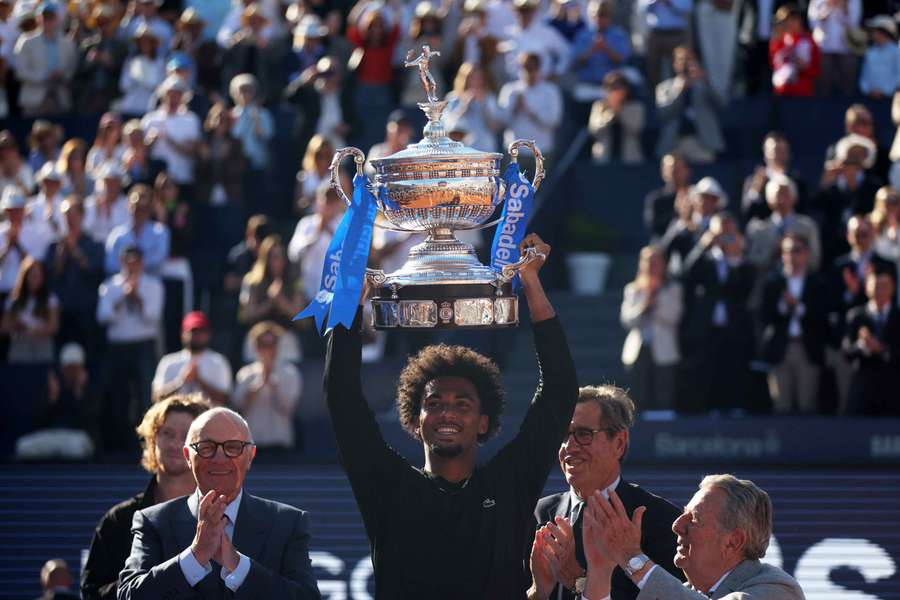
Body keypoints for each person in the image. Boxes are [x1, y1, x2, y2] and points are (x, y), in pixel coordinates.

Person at [324, 232, 578, 597]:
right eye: (435, 403)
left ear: (484, 421)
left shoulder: (510, 485)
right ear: (415, 420)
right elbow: (342, 398)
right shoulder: (385, 485)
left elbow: (559, 391)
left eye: (463, 404)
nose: (447, 413)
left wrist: (532, 283)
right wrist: (352, 300)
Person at [117, 407, 321, 599]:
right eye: (206, 447)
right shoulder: (153, 521)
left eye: (233, 447)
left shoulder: (287, 522)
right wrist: (195, 555)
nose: (220, 458)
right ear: (188, 456)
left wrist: (238, 565)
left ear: (250, 456)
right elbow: (129, 595)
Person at [528, 385, 681, 600]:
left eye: (583, 434)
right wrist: (537, 593)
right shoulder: (537, 515)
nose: (569, 447)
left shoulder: (660, 520)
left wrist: (577, 580)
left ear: (618, 443)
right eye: (563, 435)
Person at [579, 474, 805, 600]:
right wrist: (599, 571)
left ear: (733, 542)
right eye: (683, 513)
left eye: (694, 519)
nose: (677, 525)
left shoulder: (778, 589)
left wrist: (633, 559)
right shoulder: (681, 593)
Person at [81, 395, 210, 600]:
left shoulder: (222, 516)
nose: (176, 444)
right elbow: (92, 593)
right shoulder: (119, 520)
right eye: (167, 433)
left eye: (186, 435)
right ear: (152, 440)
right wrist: (149, 583)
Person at [679, 213, 757, 413]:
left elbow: (745, 289)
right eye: (719, 233)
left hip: (734, 328)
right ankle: (708, 409)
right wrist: (702, 246)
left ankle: (734, 407)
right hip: (707, 328)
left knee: (733, 369)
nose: (724, 239)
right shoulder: (704, 260)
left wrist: (734, 258)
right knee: (706, 371)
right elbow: (685, 275)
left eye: (728, 234)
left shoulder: (742, 263)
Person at [96, 245, 163, 450]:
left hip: (143, 345)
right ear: (121, 262)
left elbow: (153, 317)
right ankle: (119, 442)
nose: (132, 265)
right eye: (128, 261)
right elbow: (103, 317)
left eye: (136, 261)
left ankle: (147, 441)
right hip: (118, 346)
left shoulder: (153, 285)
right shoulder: (110, 286)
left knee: (145, 393)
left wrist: (137, 297)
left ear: (142, 262)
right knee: (118, 394)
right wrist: (122, 297)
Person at [760, 233, 828, 414]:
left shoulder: (817, 283)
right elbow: (764, 316)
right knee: (781, 405)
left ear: (806, 253)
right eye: (787, 251)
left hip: (807, 348)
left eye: (796, 251)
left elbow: (822, 317)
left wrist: (797, 307)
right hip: (780, 349)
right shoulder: (773, 282)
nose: (791, 256)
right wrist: (783, 307)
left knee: (807, 404)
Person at [619, 247, 682, 411]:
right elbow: (627, 320)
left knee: (664, 392)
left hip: (664, 349)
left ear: (664, 265)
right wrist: (644, 305)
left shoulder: (673, 289)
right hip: (638, 350)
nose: (651, 266)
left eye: (656, 262)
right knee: (638, 394)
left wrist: (655, 300)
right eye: (647, 261)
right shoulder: (632, 289)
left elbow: (673, 317)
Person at [43, 197, 104, 351]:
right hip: (61, 314)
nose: (69, 219)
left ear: (82, 216)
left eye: (73, 214)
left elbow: (94, 273)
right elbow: (52, 275)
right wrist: (62, 251)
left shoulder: (94, 244)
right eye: (66, 215)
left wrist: (74, 250)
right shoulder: (53, 247)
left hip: (86, 314)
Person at [232, 321, 302, 450]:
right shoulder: (245, 374)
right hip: (251, 444)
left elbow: (288, 409)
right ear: (255, 346)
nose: (268, 349)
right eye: (263, 345)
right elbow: (239, 410)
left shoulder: (290, 373)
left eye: (271, 344)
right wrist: (258, 385)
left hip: (280, 444)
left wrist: (273, 384)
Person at [842, 266, 900, 414]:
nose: (879, 291)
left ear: (892, 289)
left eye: (884, 286)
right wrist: (862, 346)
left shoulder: (897, 316)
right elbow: (847, 351)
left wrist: (882, 349)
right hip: (863, 385)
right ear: (867, 287)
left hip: (892, 386)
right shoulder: (856, 316)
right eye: (876, 286)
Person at [655, 46, 724, 164]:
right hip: (674, 143)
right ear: (675, 64)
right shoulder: (664, 88)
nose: (686, 63)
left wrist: (705, 80)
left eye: (690, 59)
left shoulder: (704, 84)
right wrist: (679, 91)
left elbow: (721, 104)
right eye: (682, 59)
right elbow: (663, 114)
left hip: (702, 143)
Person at [745, 174, 822, 278]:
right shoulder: (757, 230)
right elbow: (752, 262)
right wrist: (774, 250)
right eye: (777, 194)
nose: (781, 199)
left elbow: (814, 261)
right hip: (767, 287)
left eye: (786, 194)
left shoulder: (807, 226)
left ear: (794, 197)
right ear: (769, 200)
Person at [152, 311, 232, 404]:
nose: (197, 335)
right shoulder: (168, 361)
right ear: (183, 334)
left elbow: (225, 399)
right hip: (176, 417)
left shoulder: (219, 362)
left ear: (208, 334)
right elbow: (157, 398)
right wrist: (181, 381)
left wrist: (199, 380)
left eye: (201, 331)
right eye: (193, 331)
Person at [13, 1, 77, 115]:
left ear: (57, 18)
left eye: (51, 17)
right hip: (33, 101)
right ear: (38, 18)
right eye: (44, 17)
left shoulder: (67, 43)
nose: (48, 21)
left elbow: (72, 68)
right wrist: (45, 76)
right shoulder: (25, 41)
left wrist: (62, 75)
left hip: (60, 99)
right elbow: (20, 71)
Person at [499, 52, 563, 162]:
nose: (529, 72)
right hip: (514, 152)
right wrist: (515, 108)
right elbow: (500, 121)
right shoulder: (510, 90)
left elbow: (554, 121)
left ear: (539, 68)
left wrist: (531, 112)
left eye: (532, 68)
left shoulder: (551, 91)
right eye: (526, 67)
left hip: (541, 150)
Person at [141, 75, 203, 188]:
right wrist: (150, 142)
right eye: (170, 93)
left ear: (184, 96)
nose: (173, 97)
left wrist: (170, 140)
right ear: (163, 94)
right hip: (155, 180)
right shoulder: (150, 119)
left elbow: (192, 150)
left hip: (183, 179)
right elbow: (141, 151)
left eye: (178, 94)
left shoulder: (191, 120)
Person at [1, 255, 59, 363]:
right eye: (32, 275)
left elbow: (53, 326)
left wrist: (35, 330)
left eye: (38, 275)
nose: (35, 279)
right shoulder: (13, 300)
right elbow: (4, 327)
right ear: (25, 276)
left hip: (42, 347)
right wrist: (16, 325)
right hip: (19, 346)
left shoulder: (50, 299)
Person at [741, 132, 808, 224]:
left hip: (792, 232)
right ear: (765, 153)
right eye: (774, 151)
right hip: (764, 234)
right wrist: (756, 191)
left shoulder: (797, 180)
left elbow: (804, 209)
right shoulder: (753, 181)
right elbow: (747, 213)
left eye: (782, 150)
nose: (777, 155)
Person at [105, 184, 171, 276]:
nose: (140, 212)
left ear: (150, 208)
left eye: (144, 208)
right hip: (122, 282)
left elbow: (158, 260)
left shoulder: (161, 232)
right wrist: (128, 271)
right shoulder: (116, 235)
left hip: (150, 283)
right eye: (136, 207)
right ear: (128, 206)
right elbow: (111, 265)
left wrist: (134, 265)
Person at [75, 5, 129, 115]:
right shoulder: (87, 46)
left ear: (113, 23)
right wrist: (89, 62)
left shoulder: (121, 47)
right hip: (89, 99)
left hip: (111, 98)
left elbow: (125, 76)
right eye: (99, 23)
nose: (102, 27)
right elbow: (77, 74)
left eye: (106, 22)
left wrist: (110, 62)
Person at [503, 0, 571, 80]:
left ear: (534, 12)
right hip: (516, 85)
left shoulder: (547, 32)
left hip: (542, 84)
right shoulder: (508, 33)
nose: (524, 14)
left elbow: (566, 52)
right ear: (515, 12)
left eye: (528, 10)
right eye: (521, 10)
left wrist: (556, 72)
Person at [443, 62, 503, 154]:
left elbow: (494, 127)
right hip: (460, 150)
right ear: (464, 79)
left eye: (479, 78)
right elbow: (448, 125)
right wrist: (464, 105)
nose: (475, 82)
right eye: (472, 78)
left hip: (485, 150)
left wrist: (483, 106)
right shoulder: (453, 98)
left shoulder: (489, 98)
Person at [571, 0, 631, 89]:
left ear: (609, 16)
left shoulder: (619, 35)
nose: (599, 19)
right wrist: (592, 49)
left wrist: (606, 48)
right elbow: (575, 61)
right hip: (587, 84)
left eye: (603, 15)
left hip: (613, 87)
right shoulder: (582, 35)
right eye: (596, 15)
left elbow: (622, 60)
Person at [588, 71, 645, 165]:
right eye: (612, 88)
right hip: (603, 159)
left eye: (619, 88)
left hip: (629, 160)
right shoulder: (599, 106)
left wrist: (619, 110)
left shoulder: (636, 107)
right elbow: (595, 131)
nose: (615, 91)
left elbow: (635, 130)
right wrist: (611, 113)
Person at [636, 0, 693, 91]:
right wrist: (654, 2)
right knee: (652, 69)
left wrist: (669, 3)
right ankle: (652, 98)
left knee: (680, 69)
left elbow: (687, 8)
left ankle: (679, 97)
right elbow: (642, 9)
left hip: (677, 34)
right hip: (656, 34)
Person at [808, 0, 862, 96]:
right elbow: (813, 23)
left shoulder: (853, 1)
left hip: (847, 48)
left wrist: (844, 6)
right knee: (824, 83)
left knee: (848, 84)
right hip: (824, 47)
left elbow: (854, 23)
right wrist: (827, 8)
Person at [769, 5, 820, 97]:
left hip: (802, 93)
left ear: (798, 20)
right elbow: (774, 64)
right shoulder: (778, 41)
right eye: (784, 22)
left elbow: (815, 70)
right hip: (781, 93)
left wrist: (804, 67)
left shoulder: (808, 41)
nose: (788, 24)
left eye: (791, 20)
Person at [117, 24, 167, 118]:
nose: (145, 44)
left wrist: (144, 79)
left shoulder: (160, 62)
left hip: (149, 110)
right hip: (130, 108)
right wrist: (136, 77)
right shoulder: (130, 61)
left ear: (153, 43)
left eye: (148, 41)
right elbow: (124, 85)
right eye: (142, 41)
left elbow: (159, 86)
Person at [644, 153, 691, 240]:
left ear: (687, 171)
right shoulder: (655, 199)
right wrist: (678, 212)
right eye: (670, 169)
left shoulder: (697, 197)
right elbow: (654, 227)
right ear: (663, 172)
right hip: (663, 248)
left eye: (678, 169)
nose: (674, 172)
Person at [84, 161, 130, 244]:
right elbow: (85, 230)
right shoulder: (90, 204)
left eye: (114, 182)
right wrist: (97, 213)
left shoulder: (128, 205)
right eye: (108, 182)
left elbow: (126, 231)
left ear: (120, 184)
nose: (111, 186)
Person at [859, 15, 900, 99]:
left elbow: (898, 76)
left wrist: (885, 91)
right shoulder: (870, 52)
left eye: (875, 31)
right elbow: (865, 75)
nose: (873, 34)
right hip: (870, 98)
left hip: (889, 99)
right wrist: (868, 90)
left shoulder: (896, 52)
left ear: (884, 33)